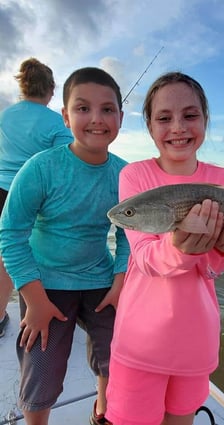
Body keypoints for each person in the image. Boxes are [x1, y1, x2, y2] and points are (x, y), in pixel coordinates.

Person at [105, 72, 224, 425]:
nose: (177, 127)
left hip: (197, 341)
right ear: (148, 125)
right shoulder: (134, 176)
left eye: (190, 115)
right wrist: (179, 246)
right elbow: (144, 257)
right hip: (139, 341)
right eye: (164, 118)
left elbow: (213, 269)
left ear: (206, 119)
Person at [0, 67, 129, 425]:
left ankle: (102, 408)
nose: (96, 119)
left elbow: (128, 235)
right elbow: (11, 232)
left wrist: (120, 282)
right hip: (46, 283)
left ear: (121, 117)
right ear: (65, 116)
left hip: (101, 279)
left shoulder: (126, 175)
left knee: (117, 349)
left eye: (108, 109)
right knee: (41, 362)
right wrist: (34, 299)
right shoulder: (40, 168)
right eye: (83, 108)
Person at [0, 57, 73, 337]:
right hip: (34, 198)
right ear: (51, 89)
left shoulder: (4, 116)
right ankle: (45, 312)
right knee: (40, 254)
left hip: (1, 191)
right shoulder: (56, 122)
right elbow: (66, 163)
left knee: (5, 255)